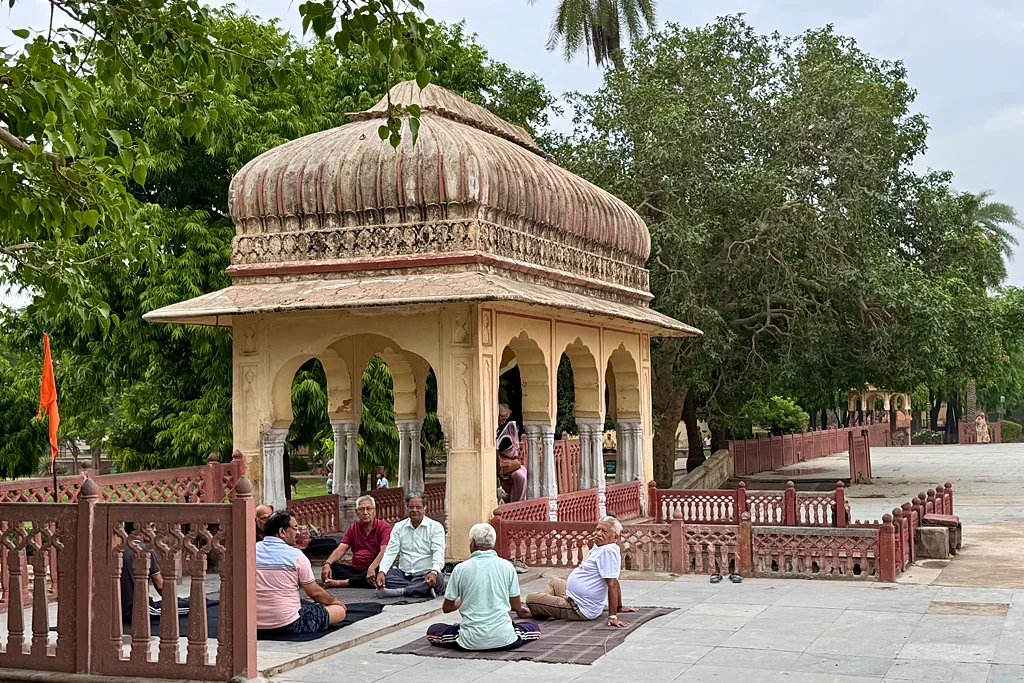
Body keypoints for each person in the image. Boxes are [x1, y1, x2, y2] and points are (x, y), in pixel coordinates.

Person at [426, 523, 540, 651]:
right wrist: (520, 610)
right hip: (504, 638)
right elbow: (515, 606)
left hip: (470, 640)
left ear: (473, 543)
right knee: (533, 628)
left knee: (433, 630)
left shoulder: (460, 569)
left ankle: (469, 632)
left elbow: (446, 608)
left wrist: (459, 602)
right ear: (493, 544)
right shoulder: (508, 567)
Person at [525, 516, 637, 627]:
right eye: (597, 529)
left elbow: (612, 584)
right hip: (572, 597)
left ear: (615, 537)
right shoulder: (601, 546)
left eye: (604, 531)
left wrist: (613, 616)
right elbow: (614, 579)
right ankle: (545, 610)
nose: (598, 533)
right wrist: (619, 606)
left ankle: (543, 610)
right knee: (554, 582)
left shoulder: (608, 551)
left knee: (531, 598)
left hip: (579, 608)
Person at [256, 510, 347, 635]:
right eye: (295, 528)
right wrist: (335, 602)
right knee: (339, 611)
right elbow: (315, 593)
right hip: (288, 624)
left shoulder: (249, 551)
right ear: (282, 532)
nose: (298, 532)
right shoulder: (296, 555)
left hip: (252, 624)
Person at [375, 493, 446, 599]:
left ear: (425, 509)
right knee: (388, 576)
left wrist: (434, 571)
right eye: (411, 507)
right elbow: (391, 551)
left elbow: (438, 552)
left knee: (438, 578)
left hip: (426, 574)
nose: (414, 510)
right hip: (404, 575)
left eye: (418, 507)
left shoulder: (436, 527)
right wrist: (382, 571)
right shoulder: (399, 527)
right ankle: (422, 590)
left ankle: (399, 591)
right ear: (407, 508)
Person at [120, 523, 189, 620]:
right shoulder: (146, 551)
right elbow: (161, 587)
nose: (155, 530)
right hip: (139, 609)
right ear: (140, 529)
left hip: (118, 609)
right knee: (193, 605)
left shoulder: (118, 549)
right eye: (152, 526)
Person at [321, 495, 392, 588]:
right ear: (356, 512)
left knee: (383, 573)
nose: (365, 513)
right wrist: (327, 563)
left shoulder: (384, 527)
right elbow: (341, 549)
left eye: (368, 509)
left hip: (374, 567)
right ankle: (359, 581)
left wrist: (371, 568)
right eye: (361, 509)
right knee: (333, 568)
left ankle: (342, 583)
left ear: (374, 511)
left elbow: (384, 551)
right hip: (355, 569)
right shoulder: (353, 527)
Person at [496, 404, 527, 503]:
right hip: (504, 465)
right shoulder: (506, 439)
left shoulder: (511, 439)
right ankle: (517, 500)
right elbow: (499, 453)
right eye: (503, 419)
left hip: (510, 464)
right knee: (520, 477)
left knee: (525, 471)